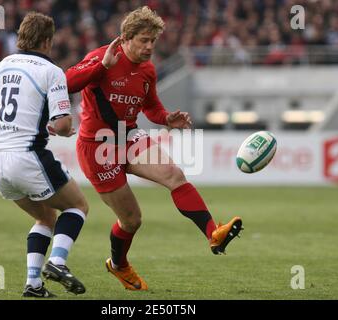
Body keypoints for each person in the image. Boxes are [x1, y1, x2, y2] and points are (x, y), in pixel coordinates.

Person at [65, 6, 243, 291]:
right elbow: (66, 82)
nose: (149, 47)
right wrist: (102, 67)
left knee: (174, 175)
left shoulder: (147, 69)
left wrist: (167, 118)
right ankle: (119, 265)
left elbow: (151, 107)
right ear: (126, 37)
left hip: (129, 136)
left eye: (153, 42)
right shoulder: (101, 57)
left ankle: (214, 233)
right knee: (132, 220)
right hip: (97, 147)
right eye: (144, 40)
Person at [0, 12, 88, 298]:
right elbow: (62, 125)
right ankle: (58, 263)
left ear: (21, 37)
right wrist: (61, 128)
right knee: (77, 207)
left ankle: (33, 284)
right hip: (27, 154)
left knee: (45, 217)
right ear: (48, 41)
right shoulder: (51, 71)